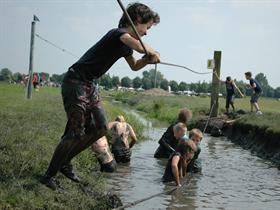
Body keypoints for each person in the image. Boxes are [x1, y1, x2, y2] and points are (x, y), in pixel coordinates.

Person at [40, 2, 160, 190]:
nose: (147, 32)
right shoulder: (118, 34)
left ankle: (65, 162)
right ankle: (48, 176)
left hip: (91, 84)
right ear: (137, 20)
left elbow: (135, 66)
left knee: (102, 128)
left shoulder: (128, 44)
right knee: (74, 133)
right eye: (147, 27)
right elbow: (138, 46)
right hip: (76, 81)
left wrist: (147, 60)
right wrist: (151, 53)